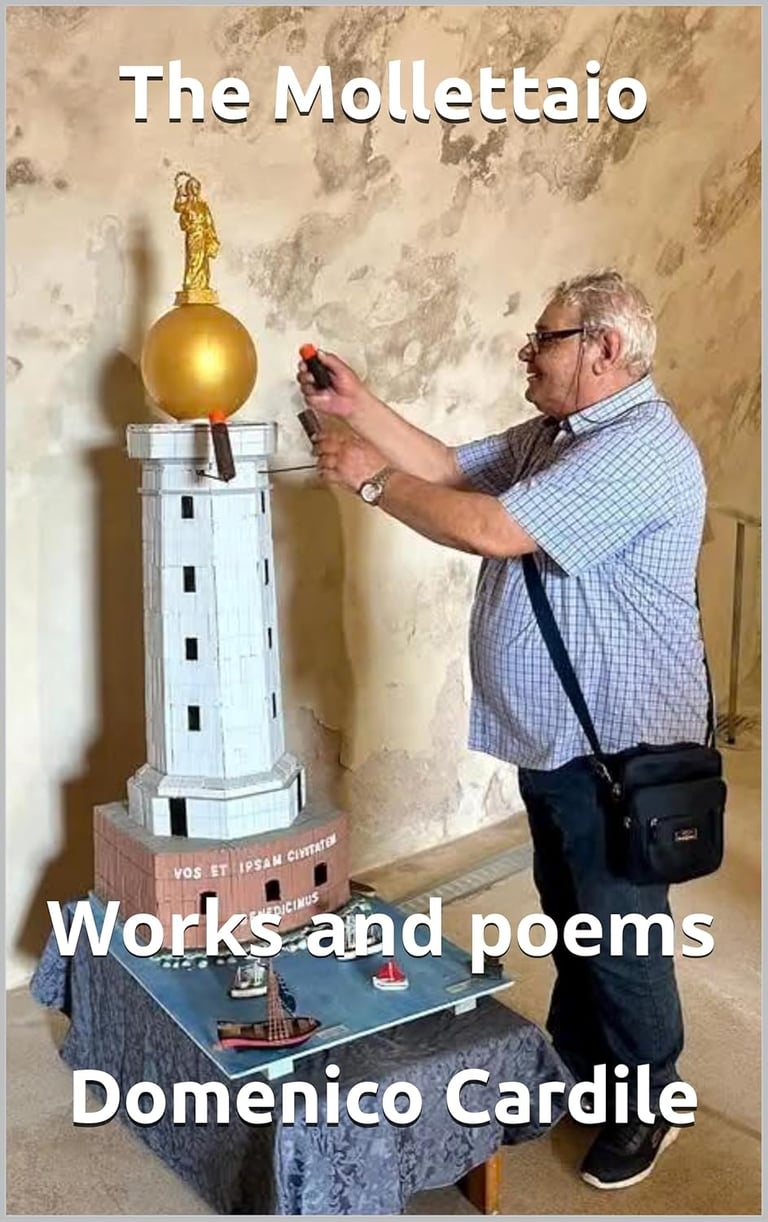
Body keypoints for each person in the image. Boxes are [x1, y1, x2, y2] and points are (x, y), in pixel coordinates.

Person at [296, 269, 708, 1190]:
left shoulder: (638, 448)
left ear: (603, 350)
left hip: (619, 752)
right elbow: (453, 468)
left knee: (621, 932)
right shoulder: (560, 435)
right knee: (575, 915)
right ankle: (581, 1069)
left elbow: (490, 526)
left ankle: (652, 1100)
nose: (528, 351)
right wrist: (360, 406)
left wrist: (371, 481)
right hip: (561, 741)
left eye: (545, 337)